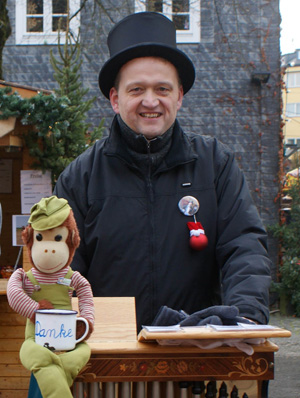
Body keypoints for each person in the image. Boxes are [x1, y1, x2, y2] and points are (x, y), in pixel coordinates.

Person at [54, 12, 271, 331]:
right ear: (116, 99)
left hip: (196, 349)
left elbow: (243, 245)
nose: (151, 101)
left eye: (163, 89)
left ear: (179, 96)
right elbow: (63, 266)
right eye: (137, 89)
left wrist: (247, 313)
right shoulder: (80, 177)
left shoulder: (215, 164)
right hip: (109, 357)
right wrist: (65, 329)